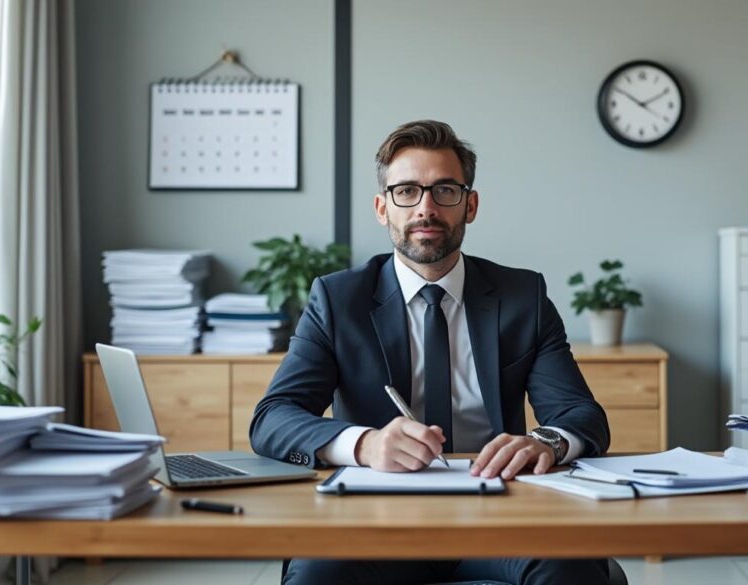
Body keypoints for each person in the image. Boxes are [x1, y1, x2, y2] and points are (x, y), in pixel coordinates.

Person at [250, 120, 611, 585]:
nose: (426, 208)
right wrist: (365, 445)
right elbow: (273, 417)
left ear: (470, 205)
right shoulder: (338, 300)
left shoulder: (523, 297)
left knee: (570, 564)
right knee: (318, 572)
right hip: (375, 518)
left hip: (498, 514)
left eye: (445, 190)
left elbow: (582, 415)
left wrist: (545, 441)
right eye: (406, 191)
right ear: (382, 208)